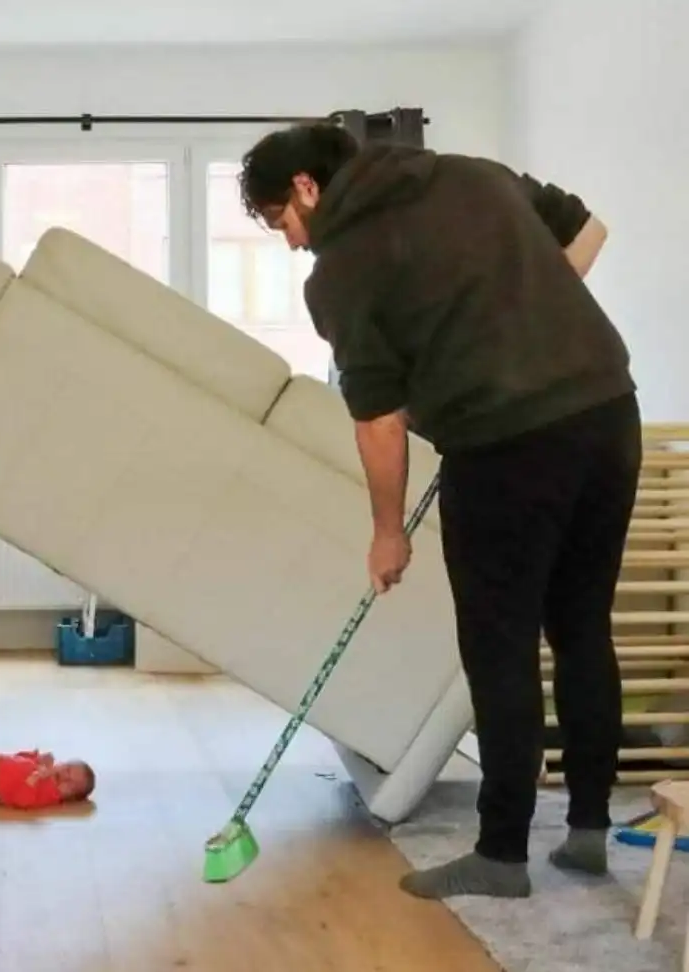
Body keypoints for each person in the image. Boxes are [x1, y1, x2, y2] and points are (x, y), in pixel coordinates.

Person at [237, 122, 641, 900]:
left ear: (307, 188)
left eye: (278, 219)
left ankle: (502, 856)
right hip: (606, 414)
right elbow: (588, 231)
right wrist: (526, 330)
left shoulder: (342, 271)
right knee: (583, 629)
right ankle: (588, 831)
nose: (289, 242)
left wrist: (387, 534)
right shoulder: (469, 174)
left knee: (501, 648)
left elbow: (379, 421)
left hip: (504, 449)